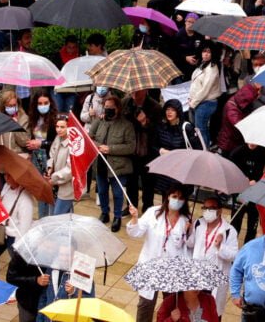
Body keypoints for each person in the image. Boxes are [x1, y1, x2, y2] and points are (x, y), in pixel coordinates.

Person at [126, 184, 192, 322]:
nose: (177, 200)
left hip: (172, 270)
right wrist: (134, 218)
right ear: (168, 197)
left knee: (171, 306)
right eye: (174, 196)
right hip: (151, 266)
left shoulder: (186, 220)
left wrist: (189, 232)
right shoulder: (153, 213)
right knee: (146, 304)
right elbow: (135, 232)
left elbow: (189, 247)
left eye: (181, 198)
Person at [89, 95, 136, 231]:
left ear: (118, 108)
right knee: (102, 191)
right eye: (106, 107)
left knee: (117, 193)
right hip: (100, 163)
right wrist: (99, 146)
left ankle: (117, 217)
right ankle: (105, 213)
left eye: (111, 108)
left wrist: (111, 149)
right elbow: (89, 138)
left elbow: (130, 147)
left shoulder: (126, 125)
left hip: (118, 166)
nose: (108, 110)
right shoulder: (99, 122)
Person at [186, 197, 239, 316]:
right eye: (205, 208)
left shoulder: (229, 231)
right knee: (194, 311)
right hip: (198, 276)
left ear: (220, 210)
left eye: (212, 208)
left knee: (212, 313)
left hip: (215, 280)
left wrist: (220, 246)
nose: (208, 211)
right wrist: (186, 231)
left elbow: (234, 256)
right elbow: (190, 243)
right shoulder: (198, 223)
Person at [0, 170, 34, 280]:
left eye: (9, 175)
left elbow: (25, 226)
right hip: (3, 232)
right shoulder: (6, 188)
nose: (6, 178)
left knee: (17, 264)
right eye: (5, 174)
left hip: (14, 237)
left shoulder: (25, 200)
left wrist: (19, 245)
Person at [188, 41, 223, 149]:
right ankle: (204, 148)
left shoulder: (212, 68)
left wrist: (193, 103)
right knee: (200, 129)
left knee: (201, 129)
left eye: (209, 52)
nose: (206, 54)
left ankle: (204, 150)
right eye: (204, 51)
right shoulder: (202, 64)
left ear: (213, 53)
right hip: (198, 102)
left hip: (206, 103)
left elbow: (205, 89)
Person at [216, 83, 260, 155]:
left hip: (234, 140)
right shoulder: (231, 109)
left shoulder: (238, 101)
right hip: (227, 143)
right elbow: (240, 125)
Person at [7, 250, 49, 322]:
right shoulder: (24, 252)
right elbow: (11, 277)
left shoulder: (57, 255)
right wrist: (35, 280)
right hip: (28, 303)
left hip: (47, 302)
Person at [47, 115, 74, 215]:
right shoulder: (57, 138)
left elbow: (70, 169)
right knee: (65, 217)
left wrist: (53, 179)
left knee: (58, 216)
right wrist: (49, 168)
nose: (59, 130)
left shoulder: (73, 144)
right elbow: (52, 155)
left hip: (67, 188)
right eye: (57, 126)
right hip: (55, 185)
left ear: (69, 127)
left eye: (62, 127)